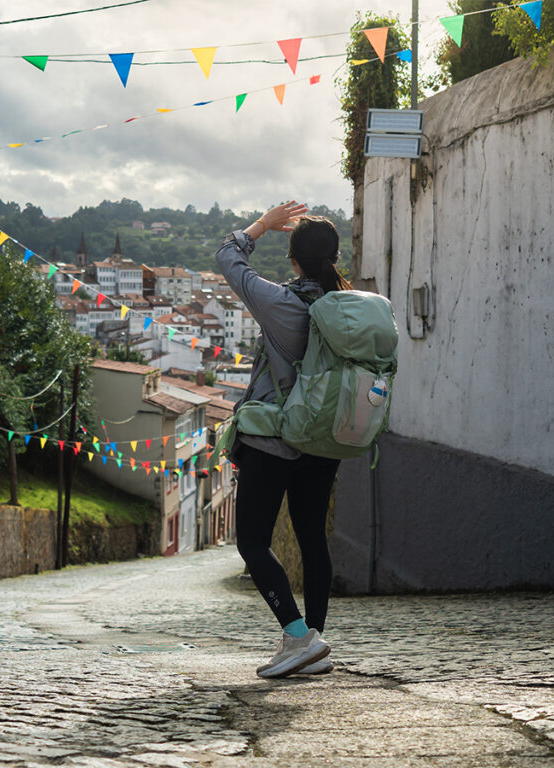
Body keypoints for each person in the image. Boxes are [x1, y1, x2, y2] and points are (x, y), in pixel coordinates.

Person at [215, 201, 353, 679]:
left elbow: (228, 259)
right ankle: (313, 640)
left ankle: (299, 638)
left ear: (293, 260)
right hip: (323, 440)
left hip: (274, 439)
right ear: (335, 257)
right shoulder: (347, 307)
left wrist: (263, 225)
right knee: (312, 536)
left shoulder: (283, 303)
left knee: (252, 541)